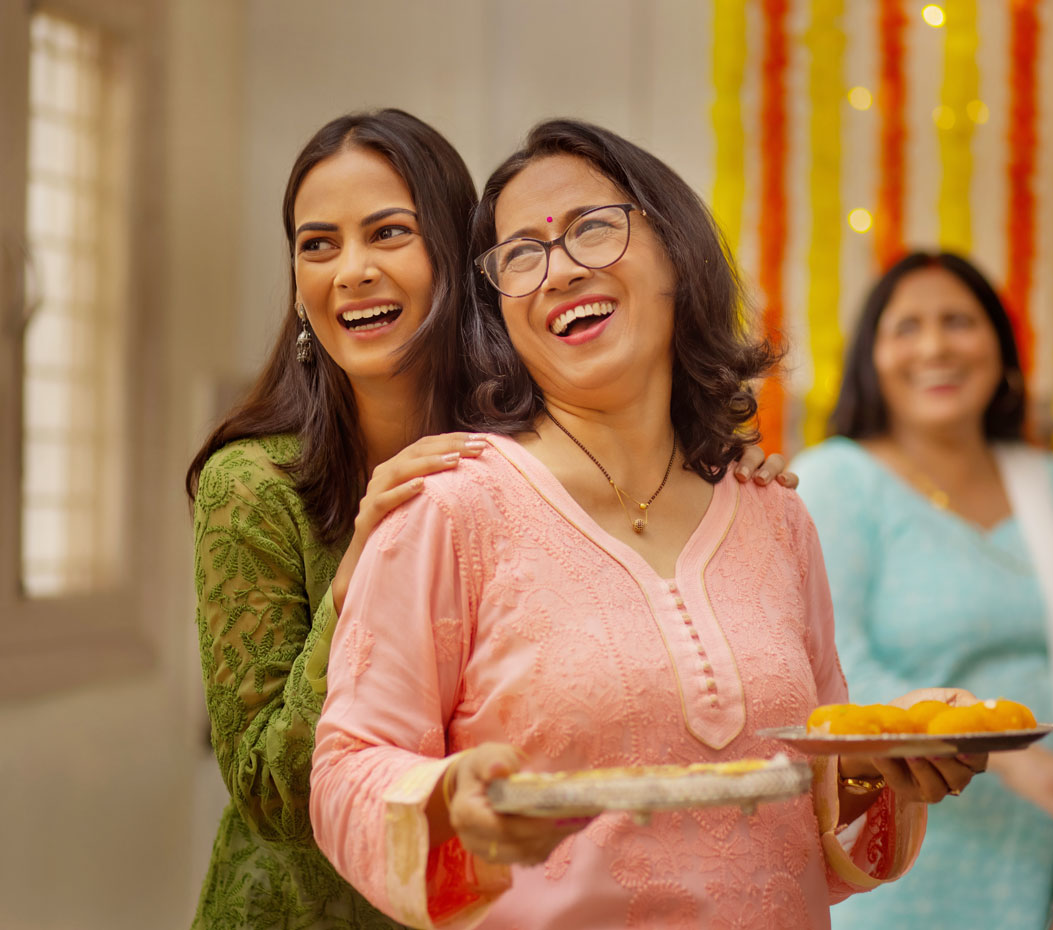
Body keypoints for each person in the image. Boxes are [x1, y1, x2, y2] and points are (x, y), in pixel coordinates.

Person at [310, 120, 982, 930]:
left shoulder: (776, 518)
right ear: (501, 313)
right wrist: (452, 807)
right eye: (522, 254)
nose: (559, 270)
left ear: (675, 255)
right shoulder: (447, 509)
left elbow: (809, 802)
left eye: (594, 227)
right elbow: (346, 769)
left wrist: (889, 766)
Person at [184, 109, 793, 930]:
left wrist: (713, 475)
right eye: (317, 245)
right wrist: (364, 555)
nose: (352, 271)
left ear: (459, 263)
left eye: (388, 233)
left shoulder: (513, 465)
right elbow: (269, 790)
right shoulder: (255, 486)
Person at [790, 251, 1053, 930]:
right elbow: (839, 677)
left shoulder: (1045, 485)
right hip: (907, 871)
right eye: (907, 328)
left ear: (1000, 347)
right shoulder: (836, 483)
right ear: (871, 358)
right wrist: (1006, 752)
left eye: (958, 321)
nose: (935, 346)